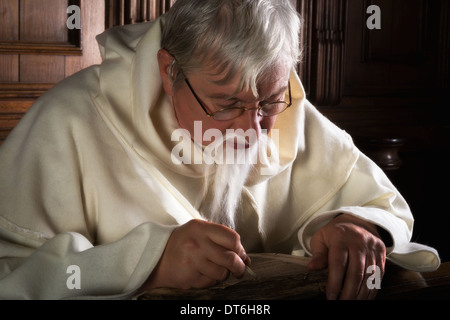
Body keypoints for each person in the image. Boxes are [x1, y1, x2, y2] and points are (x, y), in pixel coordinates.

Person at [0, 0, 440, 300]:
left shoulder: (284, 110)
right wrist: (146, 264)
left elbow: (379, 203)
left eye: (268, 102)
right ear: (169, 71)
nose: (253, 130)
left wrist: (356, 226)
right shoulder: (71, 119)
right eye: (227, 104)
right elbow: (11, 278)